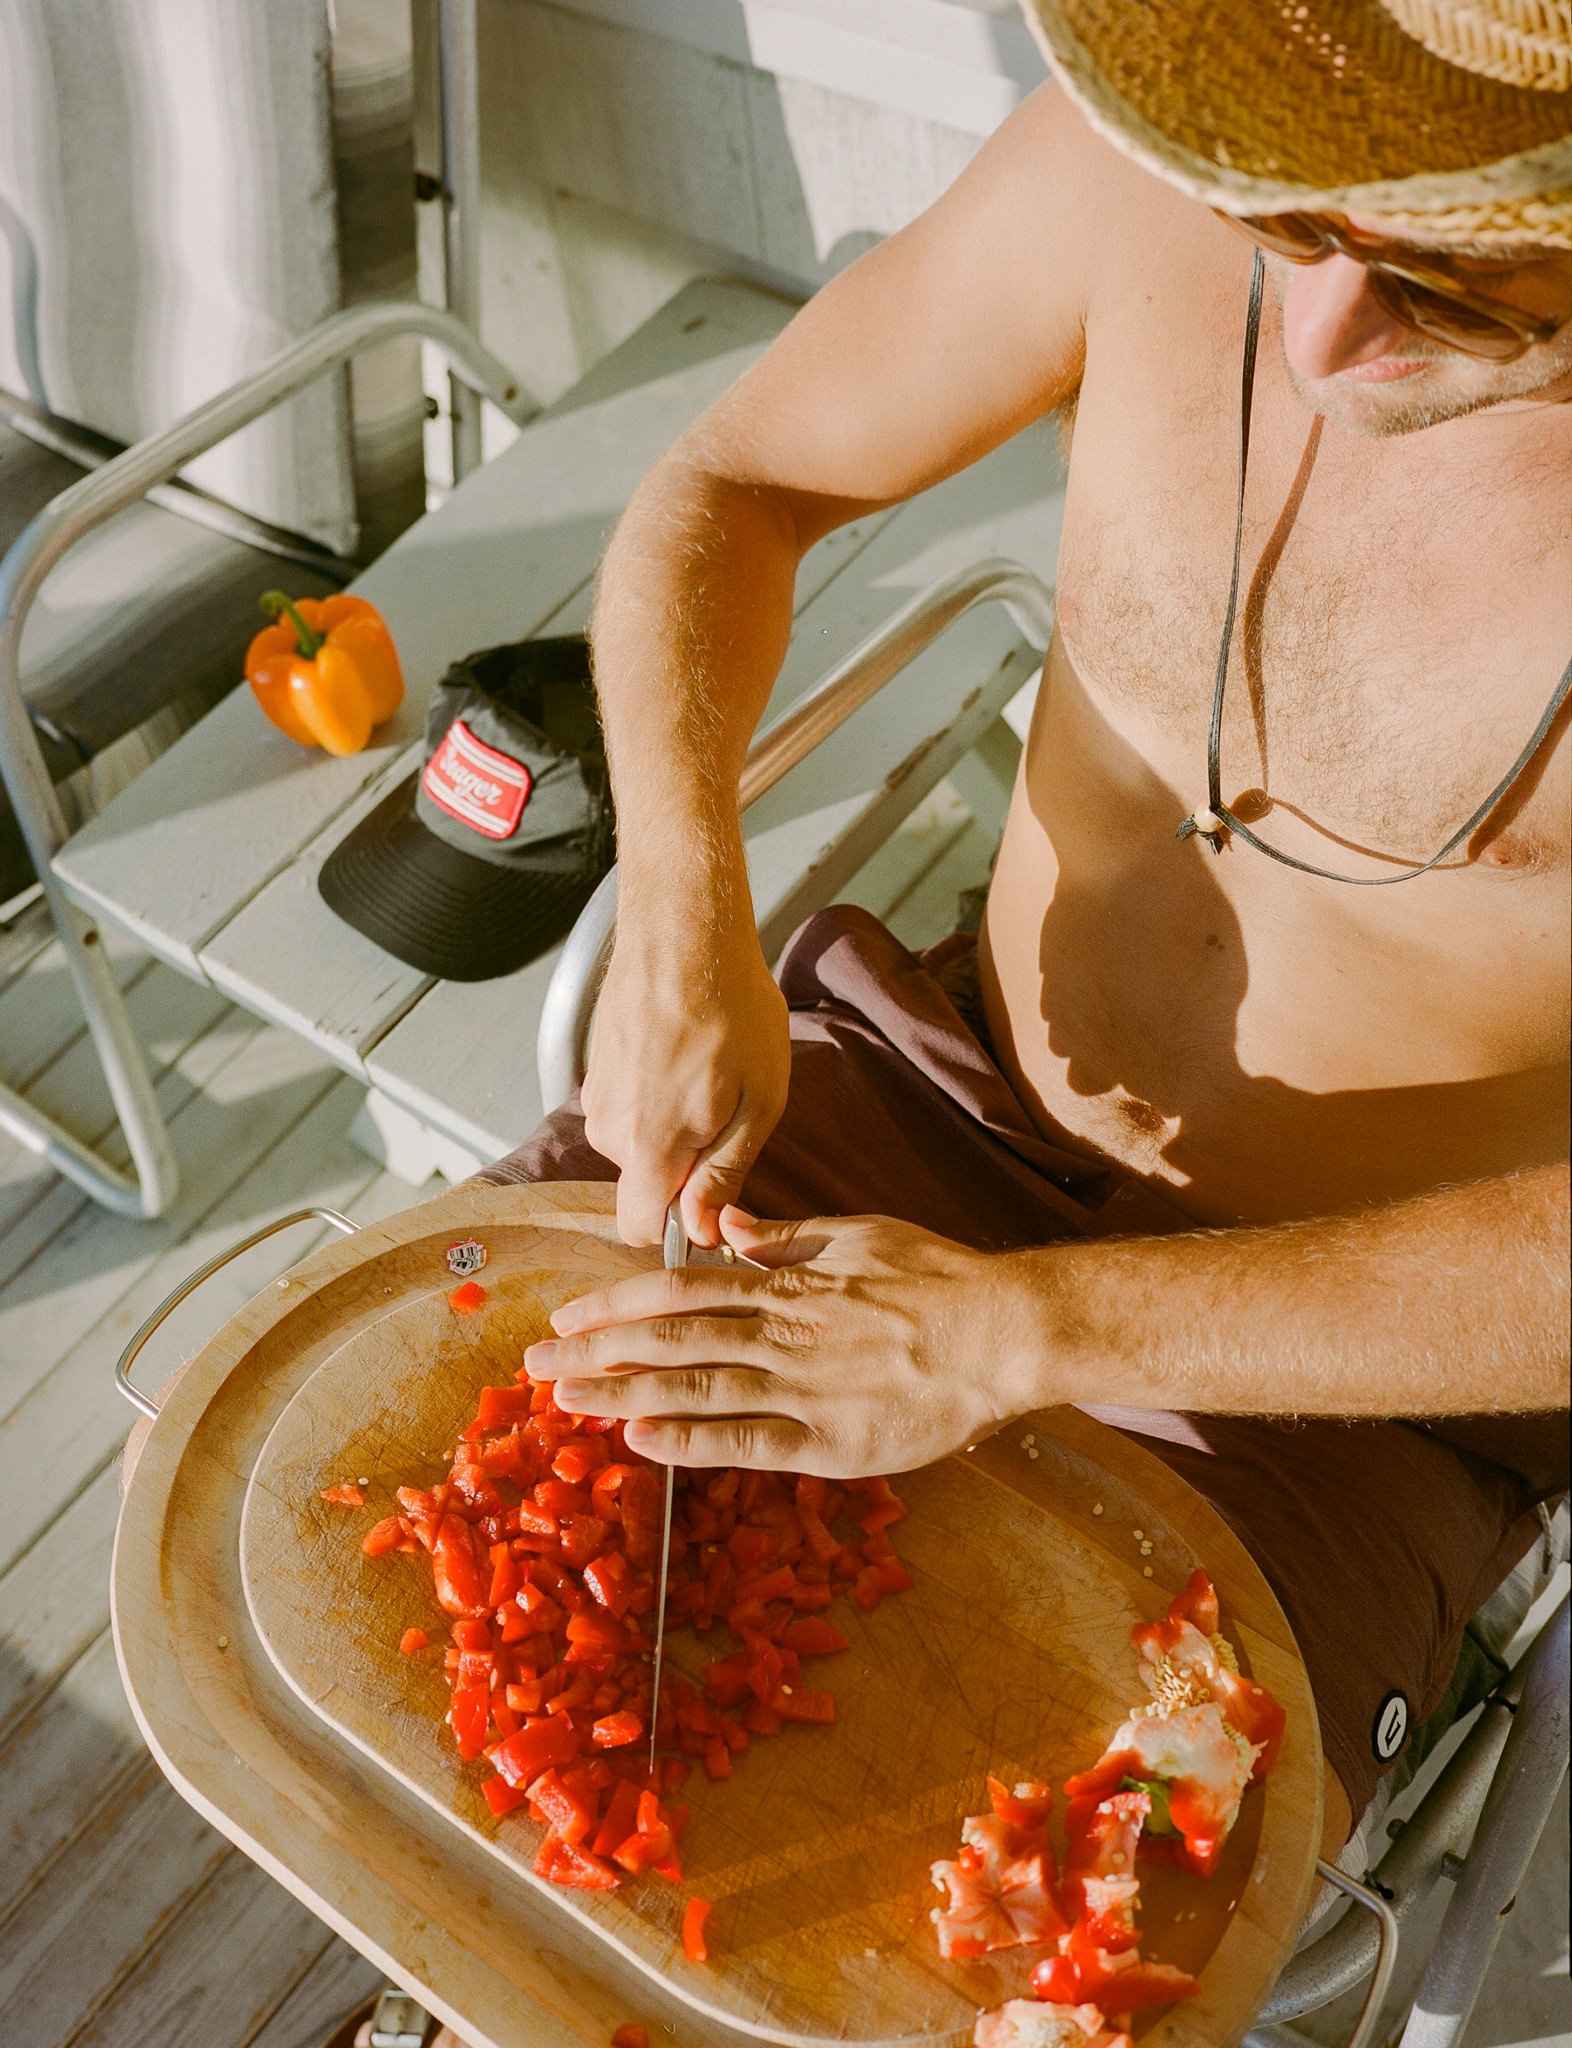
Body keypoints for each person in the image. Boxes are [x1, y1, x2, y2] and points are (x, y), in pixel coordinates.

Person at [480, 0, 1572, 1855]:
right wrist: (680, 901)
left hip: (1335, 1379)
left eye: (1455, 288)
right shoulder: (1150, 176)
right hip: (928, 1082)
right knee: (469, 1519)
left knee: (960, 1897)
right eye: (1296, 225)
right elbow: (739, 482)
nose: (1321, 335)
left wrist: (1017, 1334)